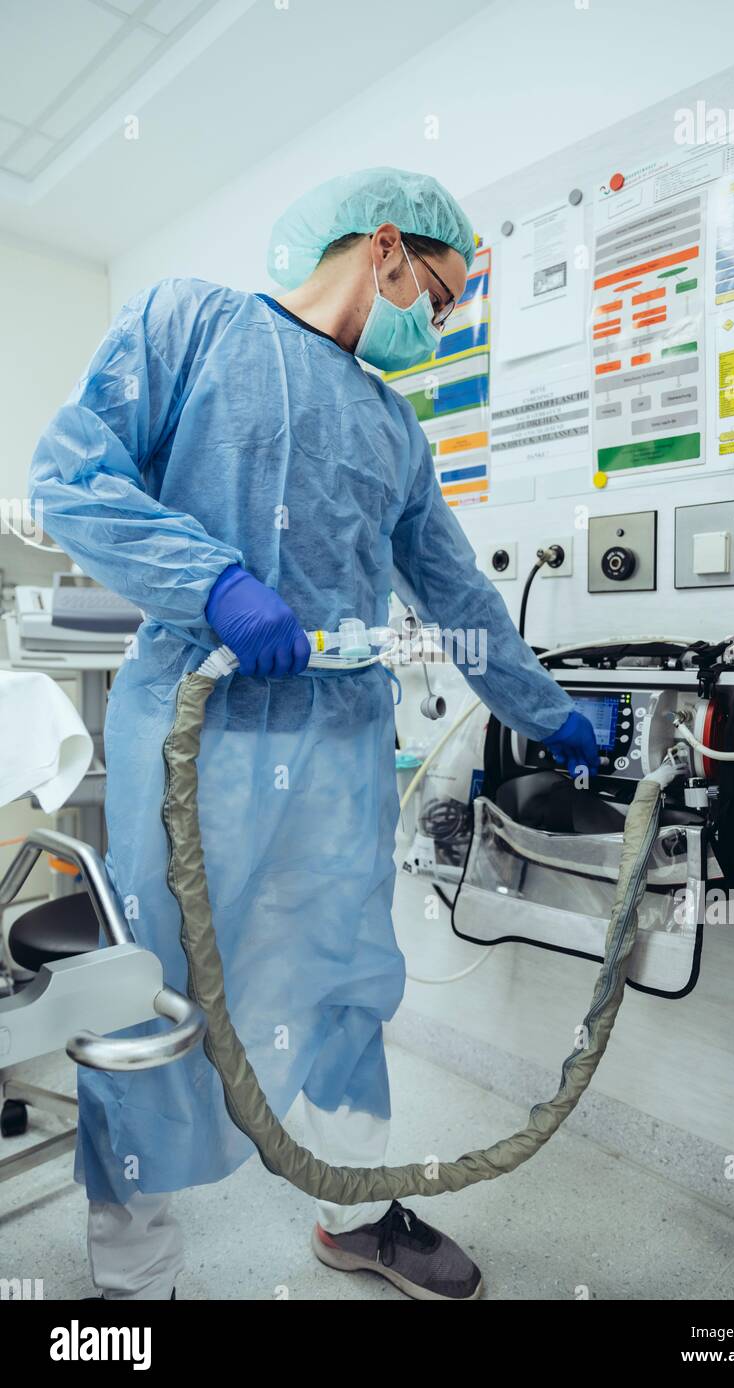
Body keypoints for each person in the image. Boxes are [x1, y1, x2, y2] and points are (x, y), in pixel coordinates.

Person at [29, 167, 597, 1302]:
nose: (434, 329)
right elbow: (70, 477)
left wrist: (550, 712)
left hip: (336, 751)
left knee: (344, 977)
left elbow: (459, 601)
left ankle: (352, 1208)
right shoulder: (187, 323)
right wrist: (219, 584)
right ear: (383, 248)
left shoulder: (393, 429)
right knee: (154, 985)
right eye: (435, 298)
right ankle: (135, 1272)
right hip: (198, 735)